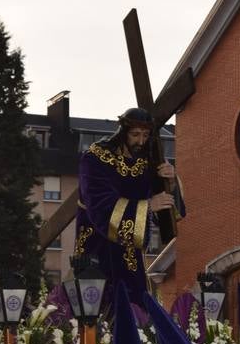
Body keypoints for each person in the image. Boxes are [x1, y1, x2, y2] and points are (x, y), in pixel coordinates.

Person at [73, 107, 185, 296]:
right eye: (135, 134)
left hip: (131, 253)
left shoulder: (148, 160)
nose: (140, 141)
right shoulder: (96, 158)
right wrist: (148, 205)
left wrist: (170, 182)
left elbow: (167, 216)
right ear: (123, 131)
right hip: (97, 245)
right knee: (94, 305)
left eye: (146, 135)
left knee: (135, 306)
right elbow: (100, 206)